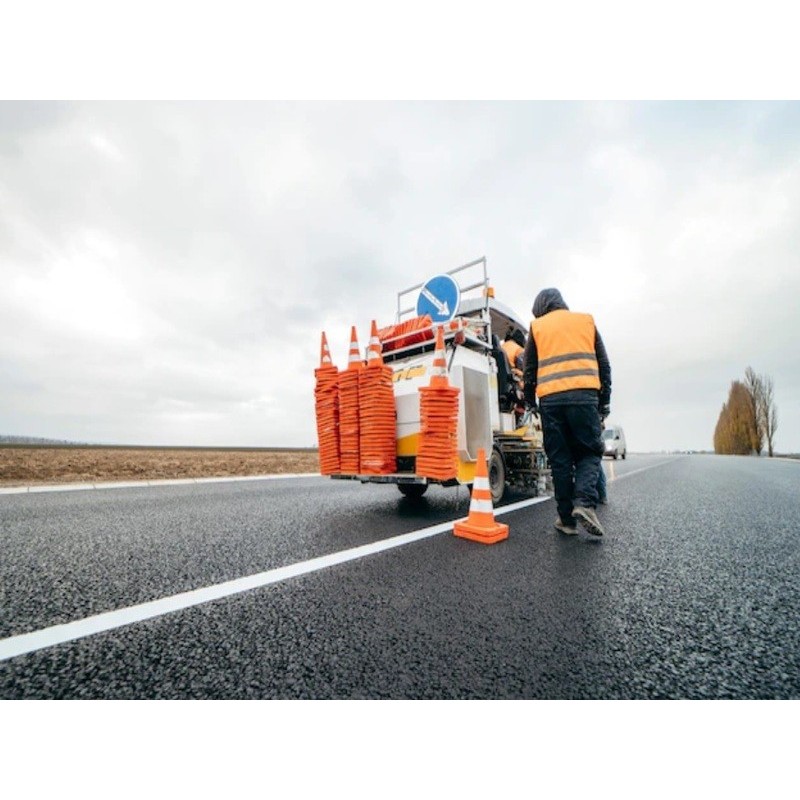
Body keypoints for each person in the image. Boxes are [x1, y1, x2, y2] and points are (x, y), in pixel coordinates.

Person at [522, 288, 611, 536]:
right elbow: (604, 364)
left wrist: (530, 402)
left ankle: (566, 519)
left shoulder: (537, 327)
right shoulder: (585, 321)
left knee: (559, 459)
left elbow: (529, 370)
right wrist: (604, 402)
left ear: (541, 307)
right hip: (585, 397)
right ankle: (584, 503)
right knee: (589, 452)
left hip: (550, 401)